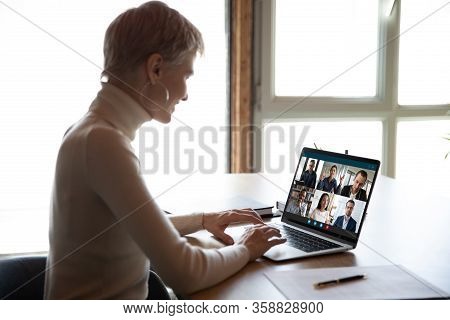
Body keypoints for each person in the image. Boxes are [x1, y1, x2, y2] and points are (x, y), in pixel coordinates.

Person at [44, 1, 285, 299]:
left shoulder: (90, 131)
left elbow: (126, 229)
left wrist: (202, 220)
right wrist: (245, 248)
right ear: (155, 68)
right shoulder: (103, 144)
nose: (185, 94)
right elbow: (184, 273)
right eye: (185, 76)